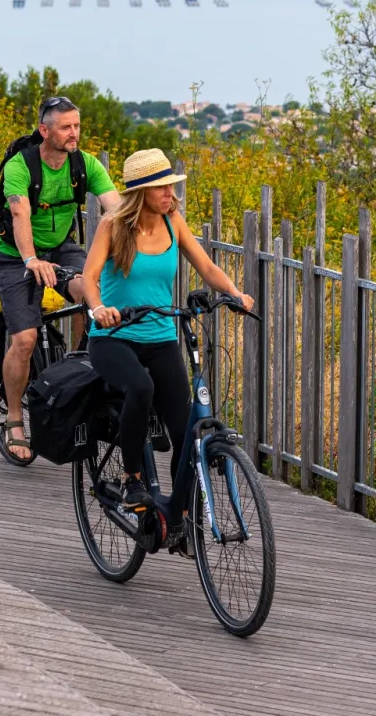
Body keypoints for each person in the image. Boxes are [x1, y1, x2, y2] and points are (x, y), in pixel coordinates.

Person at [81, 148, 253, 508]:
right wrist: (99, 309)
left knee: (186, 433)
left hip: (161, 338)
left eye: (171, 187)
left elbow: (206, 266)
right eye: (161, 188)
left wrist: (235, 293)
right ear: (141, 191)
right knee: (140, 387)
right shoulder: (113, 225)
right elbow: (90, 278)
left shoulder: (173, 221)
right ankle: (132, 479)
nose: (170, 195)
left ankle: (179, 516)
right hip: (114, 337)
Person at [0, 96, 120, 459]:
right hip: (16, 255)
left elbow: (116, 207)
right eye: (65, 127)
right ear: (44, 130)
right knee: (25, 339)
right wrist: (31, 259)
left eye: (77, 125)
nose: (74, 133)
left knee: (92, 296)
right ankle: (15, 419)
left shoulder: (85, 165)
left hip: (63, 247)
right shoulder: (21, 166)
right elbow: (19, 214)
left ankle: (78, 365)